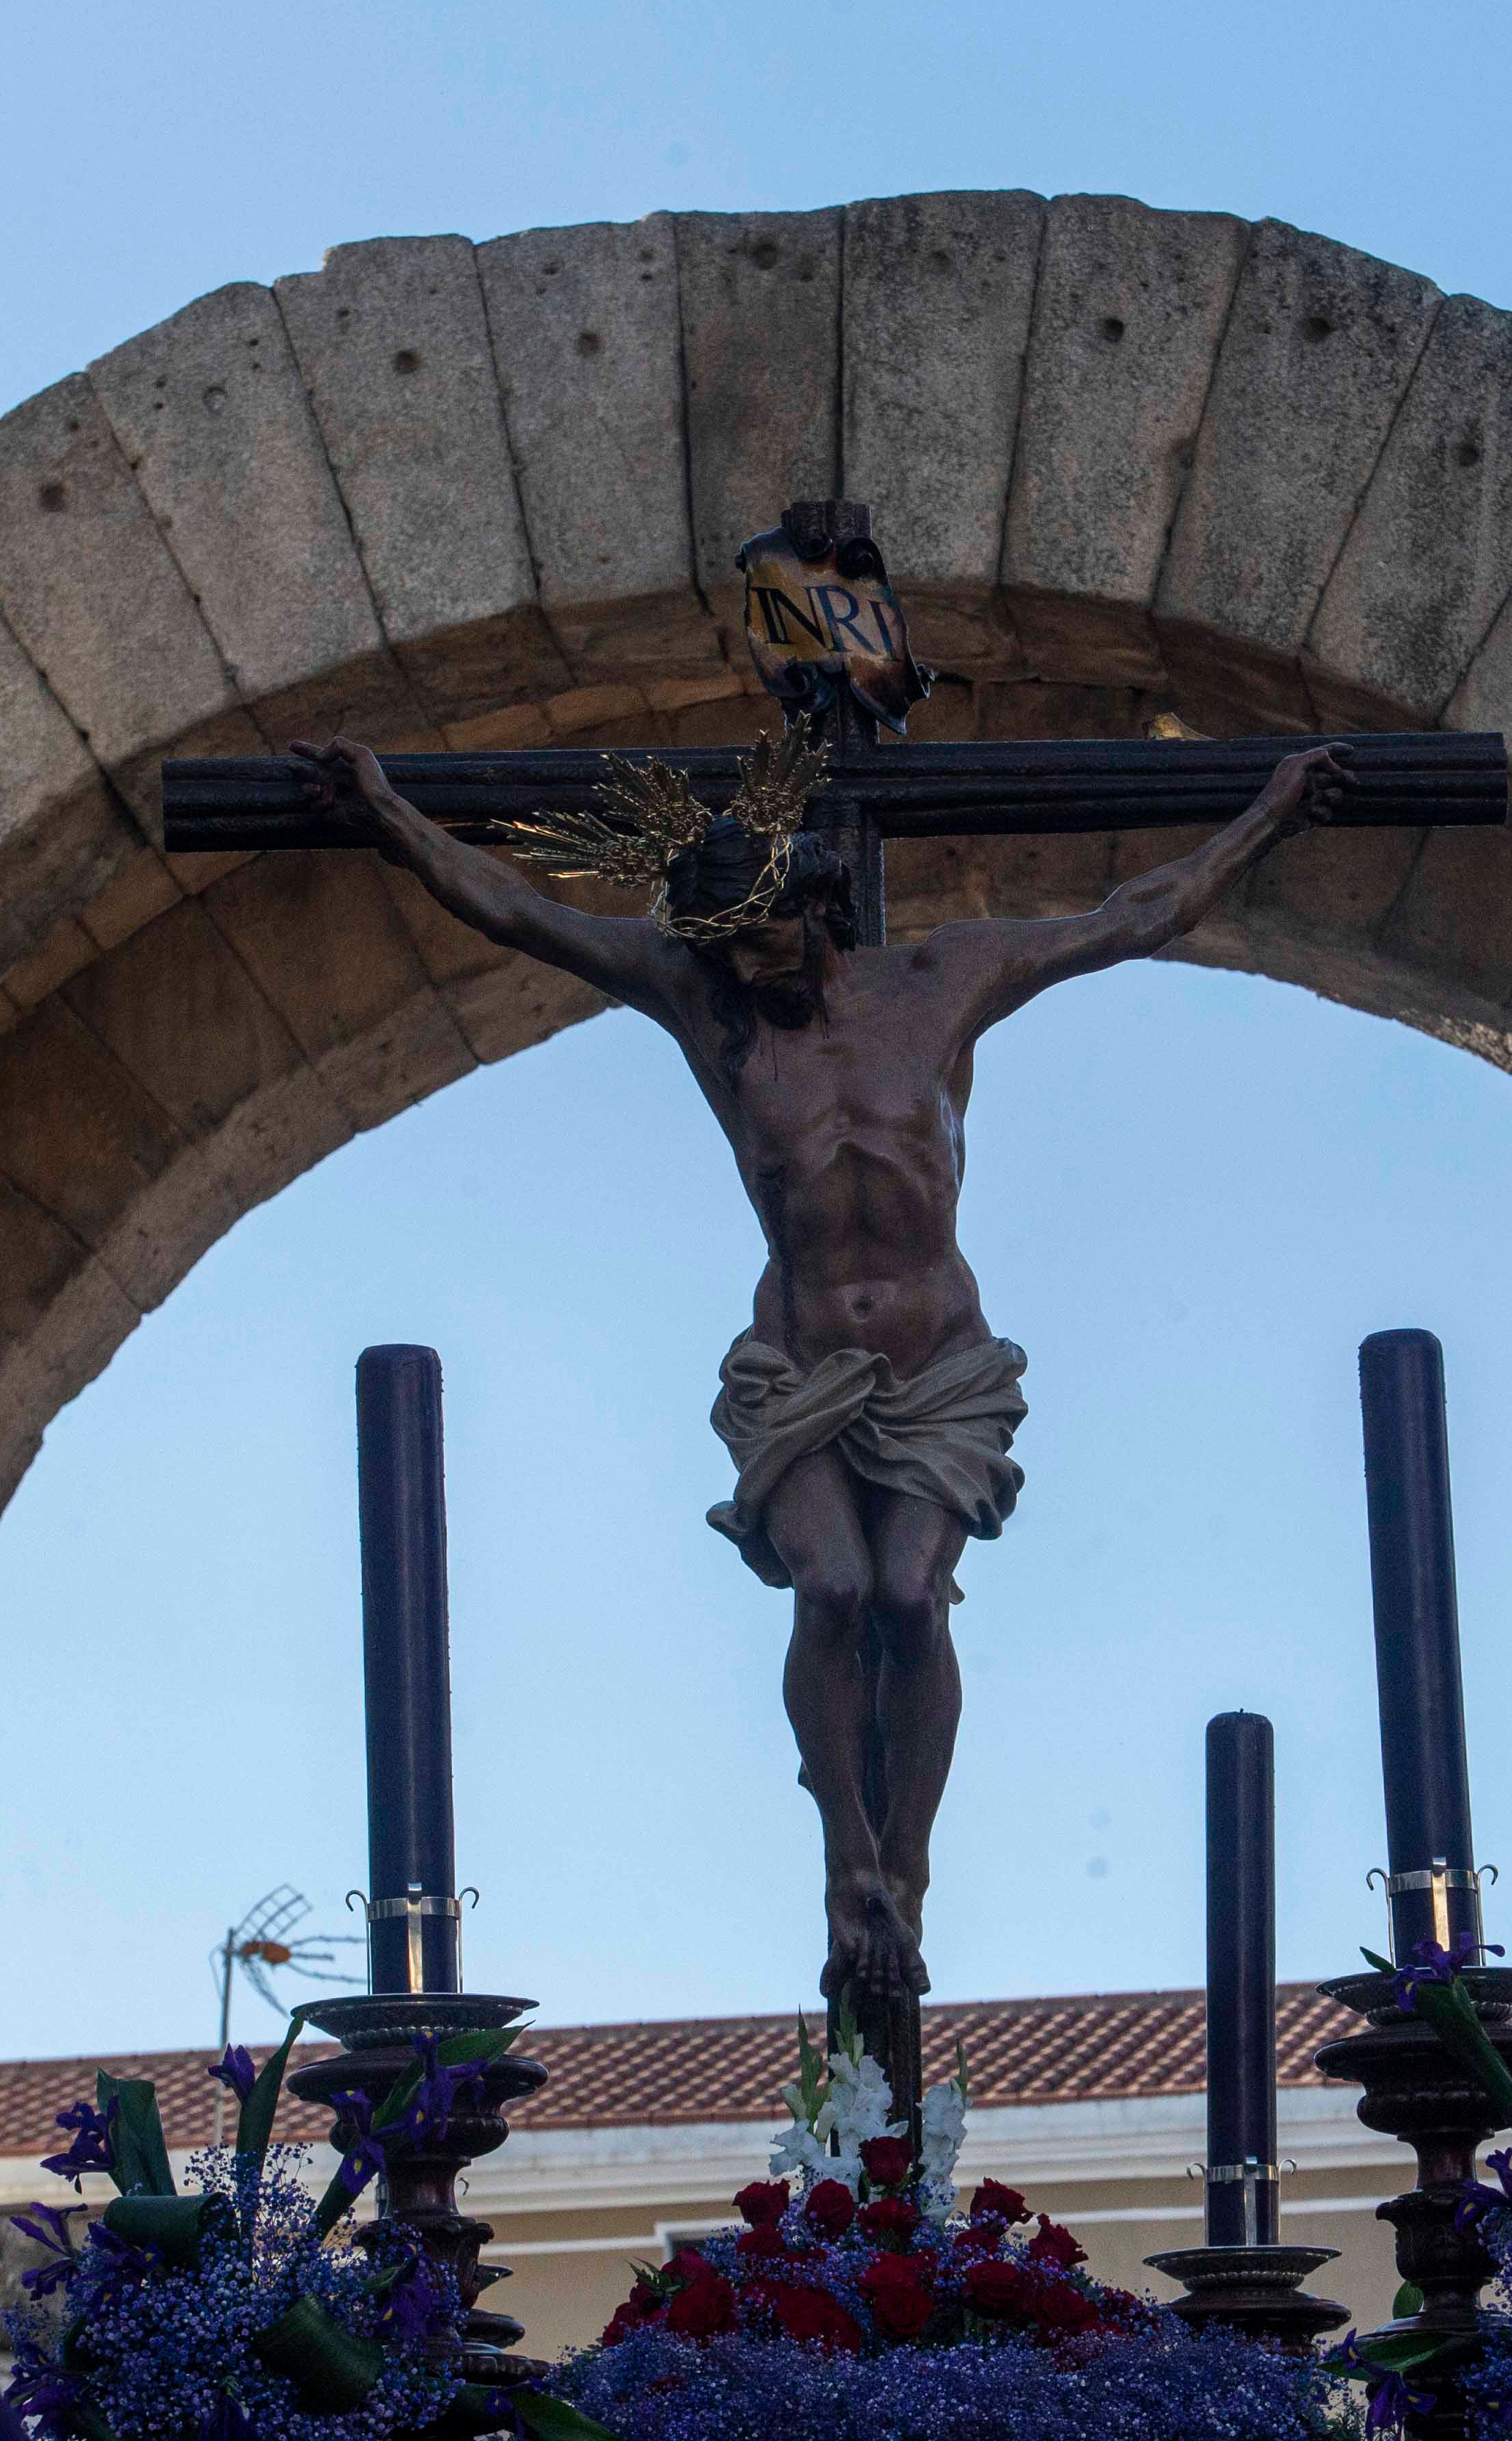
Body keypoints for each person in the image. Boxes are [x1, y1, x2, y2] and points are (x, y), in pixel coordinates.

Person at [300, 729, 1355, 2001]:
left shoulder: (945, 980)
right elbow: (522, 913)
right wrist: (386, 806)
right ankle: (844, 1861)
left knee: (911, 1599)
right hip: (796, 1366)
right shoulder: (711, 1009)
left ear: (819, 911)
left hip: (937, 1364)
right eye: (725, 950)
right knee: (836, 1592)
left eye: (762, 940)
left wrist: (1272, 810)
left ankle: (902, 1872)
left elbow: (1133, 915)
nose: (746, 971)